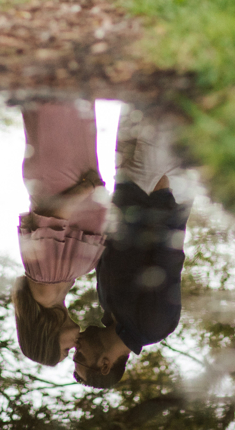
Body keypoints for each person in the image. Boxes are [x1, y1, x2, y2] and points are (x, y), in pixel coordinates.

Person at [73, 106, 190, 387]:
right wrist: (163, 188)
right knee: (167, 96)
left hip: (126, 180)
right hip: (156, 185)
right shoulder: (154, 326)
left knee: (138, 93)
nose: (76, 348)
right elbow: (168, 255)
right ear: (104, 365)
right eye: (79, 357)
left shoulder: (106, 305)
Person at [12, 101, 110, 365]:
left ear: (47, 338)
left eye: (65, 351)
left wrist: (87, 188)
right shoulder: (57, 290)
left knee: (58, 101)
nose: (72, 350)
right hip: (70, 175)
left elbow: (50, 222)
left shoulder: (45, 290)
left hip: (64, 177)